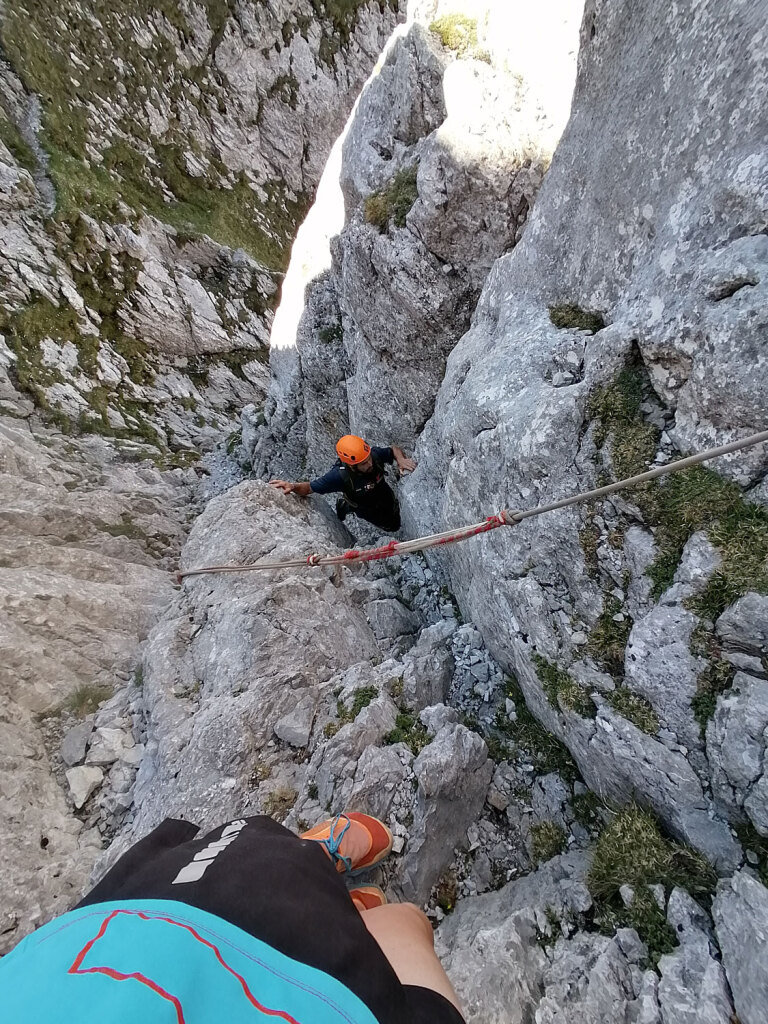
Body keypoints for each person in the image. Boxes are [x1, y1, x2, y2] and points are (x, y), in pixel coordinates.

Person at [0, 810, 465, 1024]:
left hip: (102, 959)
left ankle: (317, 866)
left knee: (263, 864)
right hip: (135, 941)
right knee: (404, 920)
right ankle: (327, 888)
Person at [270, 435, 416, 533]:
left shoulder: (373, 455)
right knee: (391, 526)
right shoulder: (338, 477)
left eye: (369, 459)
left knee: (394, 510)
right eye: (364, 463)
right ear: (352, 465)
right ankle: (346, 506)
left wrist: (401, 460)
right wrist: (293, 486)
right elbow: (309, 488)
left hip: (383, 494)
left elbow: (393, 449)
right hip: (366, 508)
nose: (370, 463)